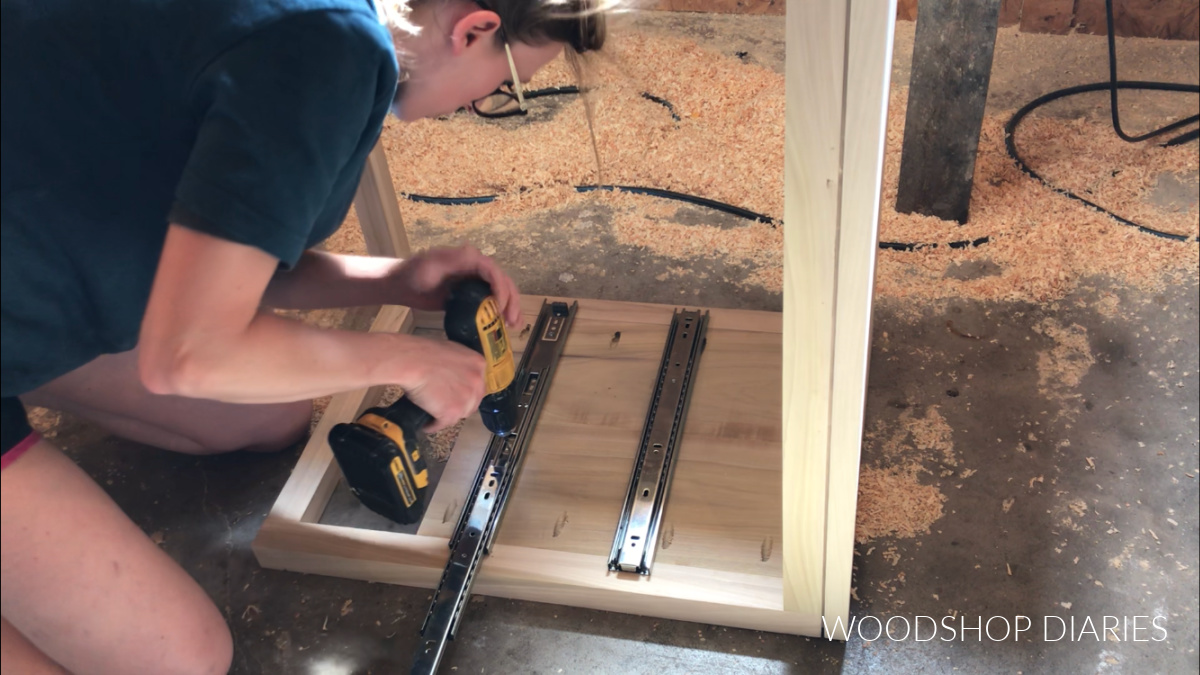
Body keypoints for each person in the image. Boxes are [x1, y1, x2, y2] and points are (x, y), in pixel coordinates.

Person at [0, 0, 611, 671]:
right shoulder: (325, 52)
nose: (485, 103)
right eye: (506, 88)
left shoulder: (322, 30)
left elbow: (220, 266)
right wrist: (407, 359)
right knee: (179, 656)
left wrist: (395, 280)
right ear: (474, 29)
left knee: (266, 413)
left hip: (33, 247)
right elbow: (188, 355)